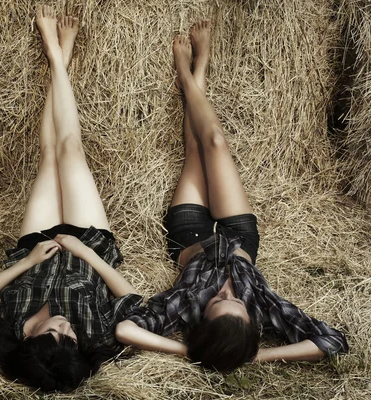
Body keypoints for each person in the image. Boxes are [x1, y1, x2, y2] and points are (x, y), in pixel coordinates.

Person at [115, 20, 348, 372]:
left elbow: (124, 329)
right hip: (239, 233)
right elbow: (332, 342)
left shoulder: (184, 308)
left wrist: (192, 353)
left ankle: (187, 74)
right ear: (251, 323)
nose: (226, 293)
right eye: (235, 303)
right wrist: (256, 355)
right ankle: (196, 69)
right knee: (216, 143)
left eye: (217, 302)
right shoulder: (264, 311)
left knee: (195, 150)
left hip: (189, 233)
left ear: (201, 322)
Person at [0, 5, 142, 392]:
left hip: (34, 243)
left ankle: (61, 57)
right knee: (70, 150)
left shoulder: (8, 329)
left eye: (58, 331)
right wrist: (86, 253)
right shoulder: (94, 336)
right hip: (89, 241)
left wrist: (28, 261)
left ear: (30, 340)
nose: (68, 328)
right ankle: (58, 54)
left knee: (47, 155)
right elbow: (133, 302)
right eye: (71, 336)